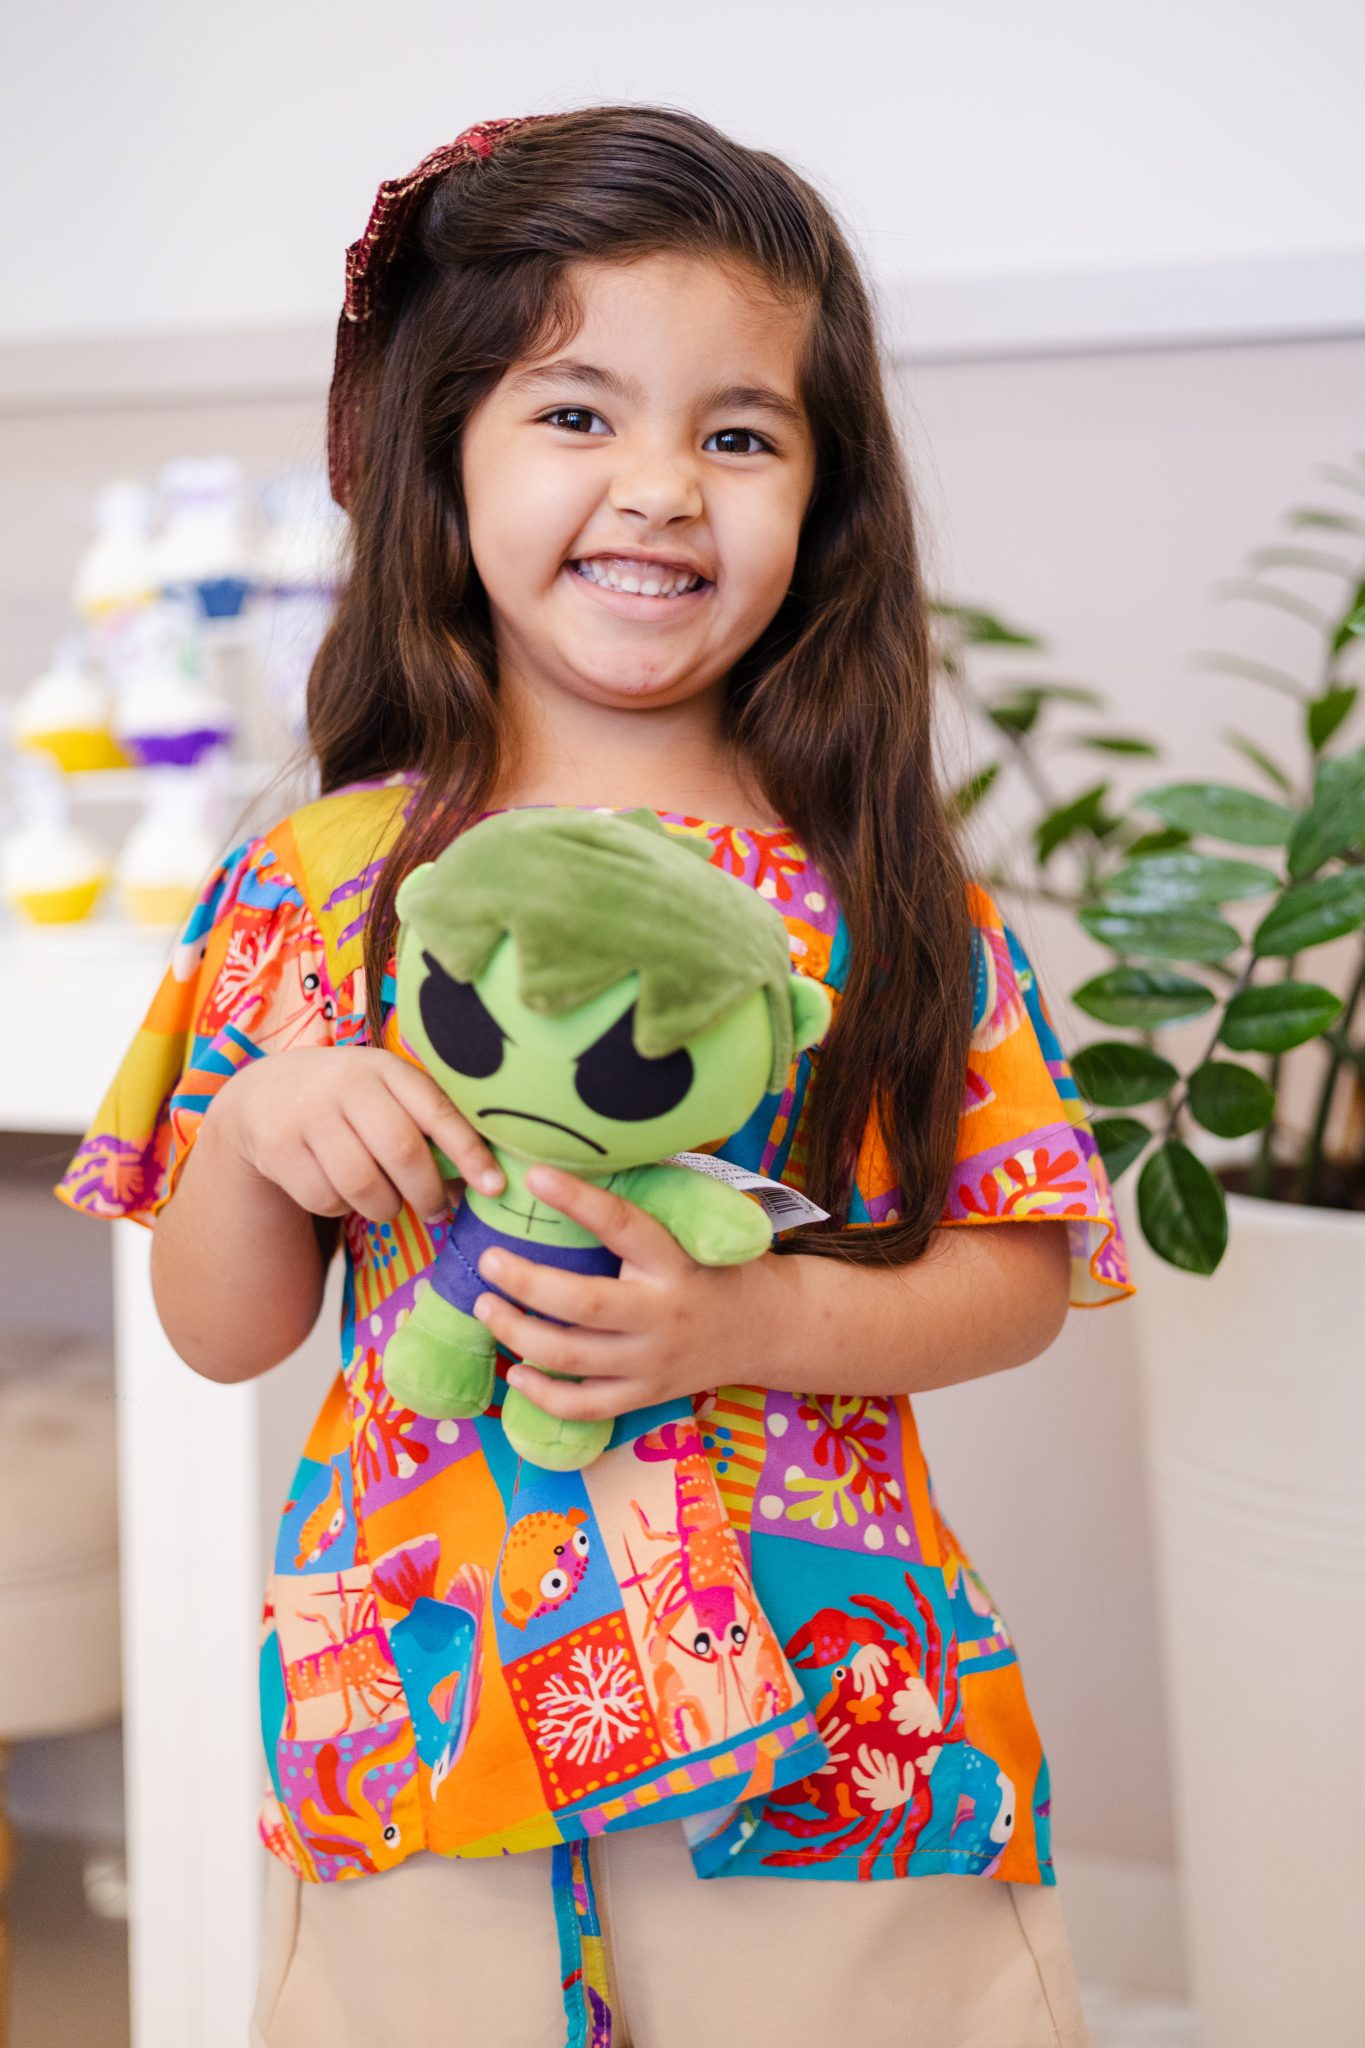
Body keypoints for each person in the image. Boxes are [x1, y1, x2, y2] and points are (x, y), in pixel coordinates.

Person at [55, 106, 1133, 2048]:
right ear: (443, 454)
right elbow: (221, 1331)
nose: (657, 488)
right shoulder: (316, 884)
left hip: (828, 1752)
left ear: (825, 493)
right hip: (424, 1729)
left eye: (739, 435)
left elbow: (1018, 1271)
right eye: (574, 413)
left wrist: (745, 1317)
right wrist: (256, 1136)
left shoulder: (884, 895)